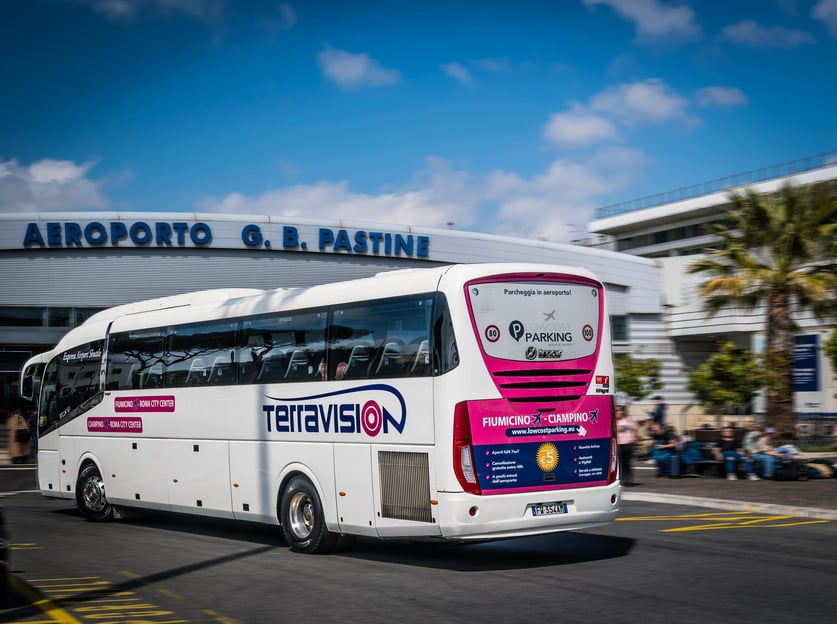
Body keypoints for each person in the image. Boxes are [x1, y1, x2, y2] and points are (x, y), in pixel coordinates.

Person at [616, 403, 639, 486]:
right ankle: (620, 479)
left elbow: (635, 429)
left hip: (627, 444)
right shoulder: (614, 421)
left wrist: (634, 438)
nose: (617, 412)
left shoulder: (628, 419)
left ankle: (628, 480)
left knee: (627, 463)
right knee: (619, 463)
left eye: (618, 410)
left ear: (622, 411)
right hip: (618, 444)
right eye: (616, 411)